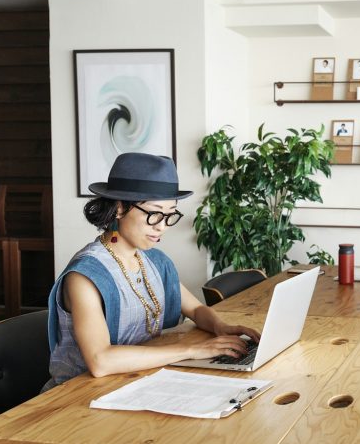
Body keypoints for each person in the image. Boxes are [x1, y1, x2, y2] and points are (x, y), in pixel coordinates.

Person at [44, 153, 260, 390]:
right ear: (119, 208)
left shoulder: (155, 261)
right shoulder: (85, 276)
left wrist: (221, 327)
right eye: (154, 213)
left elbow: (196, 309)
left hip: (136, 381)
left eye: (170, 215)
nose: (162, 226)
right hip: (77, 395)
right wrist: (190, 350)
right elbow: (100, 361)